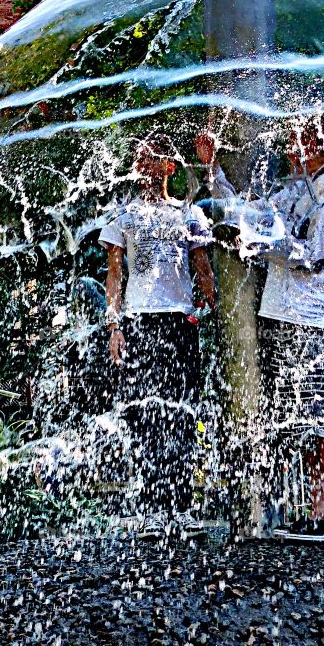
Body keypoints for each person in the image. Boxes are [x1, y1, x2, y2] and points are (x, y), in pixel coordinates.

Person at [196, 118, 324, 543]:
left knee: (323, 420)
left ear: (319, 144)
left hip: (315, 321)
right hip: (287, 317)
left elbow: (314, 256)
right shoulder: (300, 189)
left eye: (298, 139)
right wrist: (213, 170)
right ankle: (319, 512)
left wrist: (261, 245)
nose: (289, 147)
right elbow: (251, 212)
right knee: (306, 422)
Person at [99, 134, 216, 536]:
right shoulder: (123, 215)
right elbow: (115, 275)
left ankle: (181, 507)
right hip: (140, 321)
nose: (144, 165)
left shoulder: (189, 213)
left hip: (179, 321)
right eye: (139, 158)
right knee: (145, 415)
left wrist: (209, 307)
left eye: (152, 158)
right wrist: (114, 326)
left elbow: (202, 267)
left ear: (169, 167)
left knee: (182, 413)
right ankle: (152, 507)